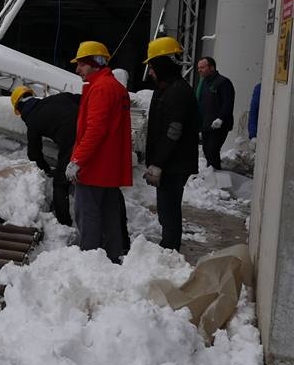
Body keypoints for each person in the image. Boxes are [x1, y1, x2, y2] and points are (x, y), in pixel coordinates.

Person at [65, 40, 133, 263]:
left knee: (89, 216)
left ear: (95, 63)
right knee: (109, 217)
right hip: (109, 169)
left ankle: (90, 262)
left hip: (95, 168)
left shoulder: (101, 88)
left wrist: (77, 160)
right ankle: (111, 259)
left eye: (82, 65)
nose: (78, 70)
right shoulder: (114, 87)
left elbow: (95, 129)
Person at [143, 37, 198, 251]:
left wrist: (158, 163)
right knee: (166, 207)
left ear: (162, 65)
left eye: (152, 67)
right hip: (170, 162)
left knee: (169, 208)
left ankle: (170, 249)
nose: (150, 72)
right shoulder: (166, 88)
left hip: (174, 164)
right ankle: (168, 246)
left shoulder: (178, 92)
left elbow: (173, 132)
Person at [11, 86, 80, 226]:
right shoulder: (61, 97)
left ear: (19, 109)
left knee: (60, 185)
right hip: (94, 136)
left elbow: (34, 153)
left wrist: (46, 169)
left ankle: (63, 226)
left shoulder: (33, 121)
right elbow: (86, 99)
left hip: (73, 145)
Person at [196, 56, 235, 170]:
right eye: (199, 68)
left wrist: (221, 118)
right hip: (206, 124)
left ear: (212, 68)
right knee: (207, 151)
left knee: (213, 150)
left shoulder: (223, 82)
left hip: (219, 125)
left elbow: (228, 103)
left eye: (202, 67)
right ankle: (210, 175)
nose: (199, 70)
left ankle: (215, 175)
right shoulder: (203, 83)